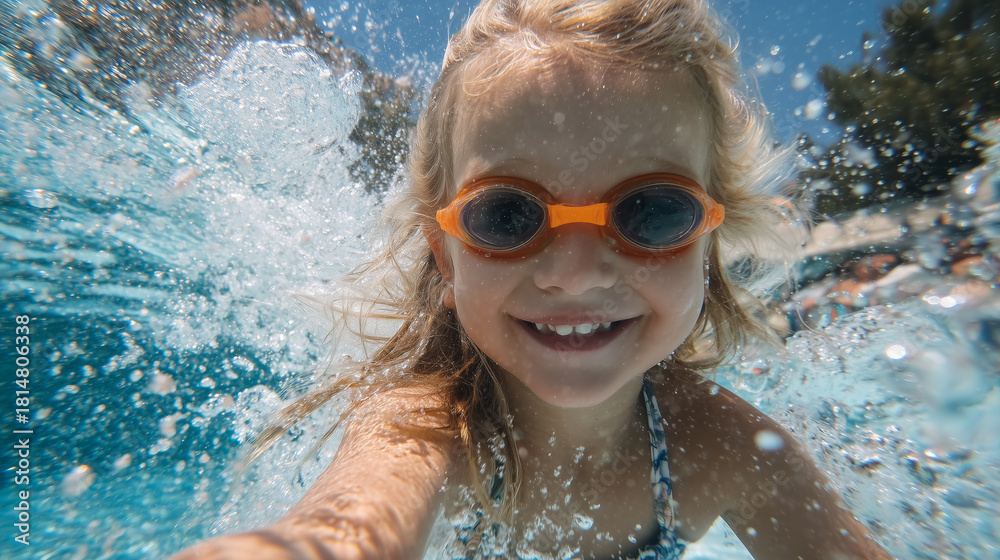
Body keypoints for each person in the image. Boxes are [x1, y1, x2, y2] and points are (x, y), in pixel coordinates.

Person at [170, 1, 894, 558]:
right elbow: (345, 528)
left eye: (652, 211)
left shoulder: (725, 450)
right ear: (446, 255)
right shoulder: (424, 426)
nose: (574, 274)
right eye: (507, 216)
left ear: (707, 242)